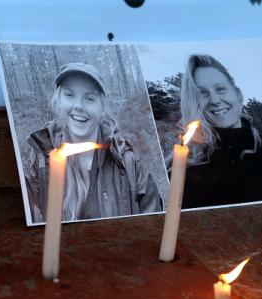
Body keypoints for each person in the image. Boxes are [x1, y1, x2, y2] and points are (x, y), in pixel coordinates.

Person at [26, 62, 161, 222]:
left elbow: (154, 222)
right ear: (59, 101)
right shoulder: (40, 158)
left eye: (89, 98)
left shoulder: (127, 159)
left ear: (102, 107)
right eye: (70, 95)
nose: (78, 106)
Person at [178, 54, 262, 208]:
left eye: (220, 89)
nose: (214, 100)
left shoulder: (261, 143)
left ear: (238, 94)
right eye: (203, 93)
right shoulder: (189, 159)